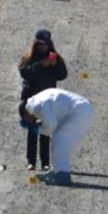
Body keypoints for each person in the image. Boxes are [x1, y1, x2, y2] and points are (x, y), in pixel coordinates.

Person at [20, 88, 96, 186]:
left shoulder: (37, 106)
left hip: (80, 112)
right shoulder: (37, 101)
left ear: (27, 113)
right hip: (81, 109)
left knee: (60, 139)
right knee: (63, 141)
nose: (32, 121)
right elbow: (52, 123)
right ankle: (57, 170)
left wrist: (37, 128)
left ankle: (63, 175)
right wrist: (38, 126)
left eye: (28, 119)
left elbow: (50, 127)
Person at [18, 29, 68, 171]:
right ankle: (31, 162)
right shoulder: (28, 57)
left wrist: (54, 64)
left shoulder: (54, 57)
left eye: (45, 44)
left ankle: (45, 162)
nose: (43, 47)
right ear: (36, 43)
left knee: (46, 130)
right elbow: (25, 73)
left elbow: (62, 75)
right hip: (32, 99)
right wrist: (42, 64)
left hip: (48, 100)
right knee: (32, 130)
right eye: (40, 44)